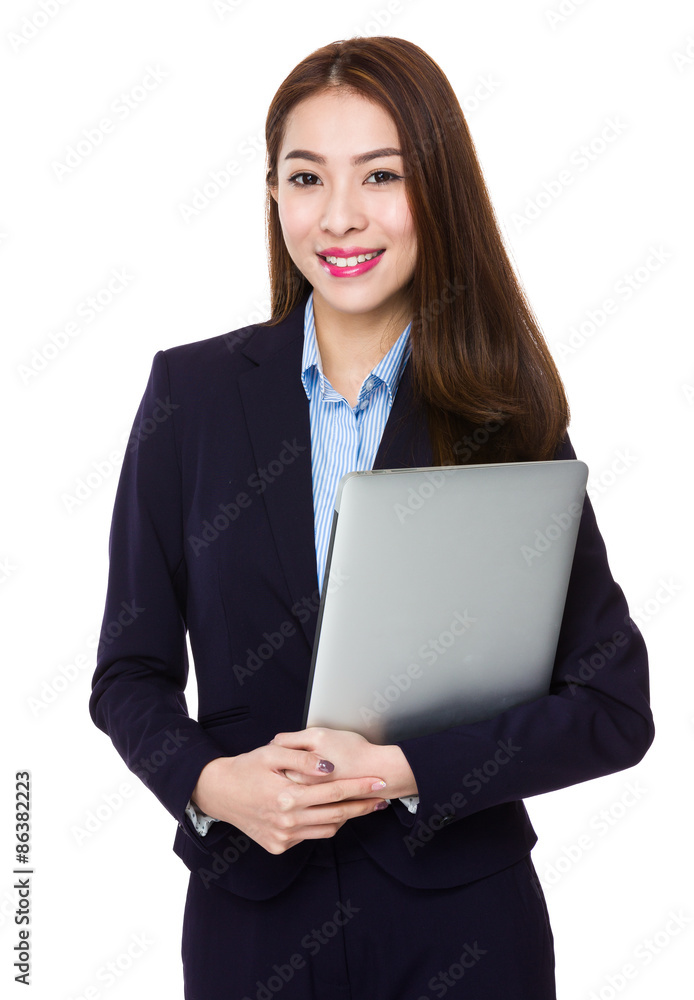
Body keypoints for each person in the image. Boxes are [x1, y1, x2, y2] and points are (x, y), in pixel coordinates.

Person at [89, 35, 654, 1000]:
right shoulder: (190, 395)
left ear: (438, 189)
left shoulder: (505, 415)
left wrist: (399, 769)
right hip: (250, 921)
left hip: (464, 926)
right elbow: (127, 675)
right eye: (307, 177)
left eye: (381, 175)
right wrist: (211, 785)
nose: (340, 215)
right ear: (274, 194)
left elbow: (612, 708)